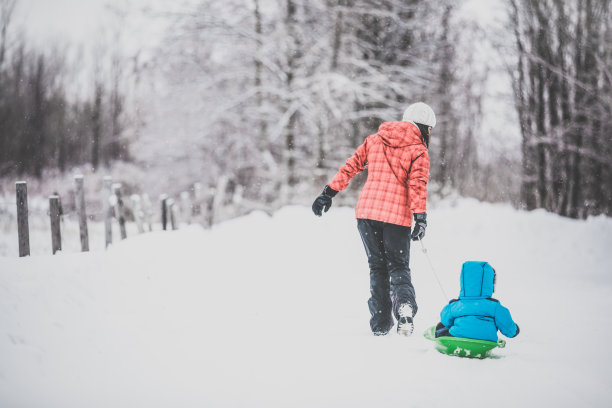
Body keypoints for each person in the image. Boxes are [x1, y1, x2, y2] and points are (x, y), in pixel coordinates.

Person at [312, 102, 436, 336]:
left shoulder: (375, 139)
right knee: (398, 266)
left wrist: (327, 193)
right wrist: (420, 218)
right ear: (424, 127)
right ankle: (405, 307)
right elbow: (417, 185)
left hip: (367, 214)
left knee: (377, 267)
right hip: (396, 218)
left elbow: (351, 167)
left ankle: (380, 324)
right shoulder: (419, 150)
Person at [435, 261, 520, 342]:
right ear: (490, 283)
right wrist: (515, 330)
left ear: (464, 281)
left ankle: (442, 343)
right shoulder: (494, 306)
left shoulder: (456, 305)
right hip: (486, 341)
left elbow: (444, 319)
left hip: (459, 338)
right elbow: (509, 329)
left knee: (440, 326)